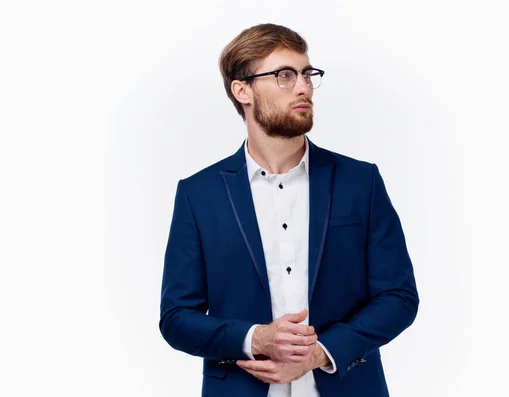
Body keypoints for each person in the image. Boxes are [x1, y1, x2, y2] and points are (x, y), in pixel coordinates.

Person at [159, 23, 419, 397]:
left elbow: (399, 296)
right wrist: (255, 338)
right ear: (242, 89)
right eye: (284, 75)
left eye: (307, 74)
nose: (303, 87)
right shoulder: (198, 194)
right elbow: (176, 318)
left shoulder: (360, 182)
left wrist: (319, 353)